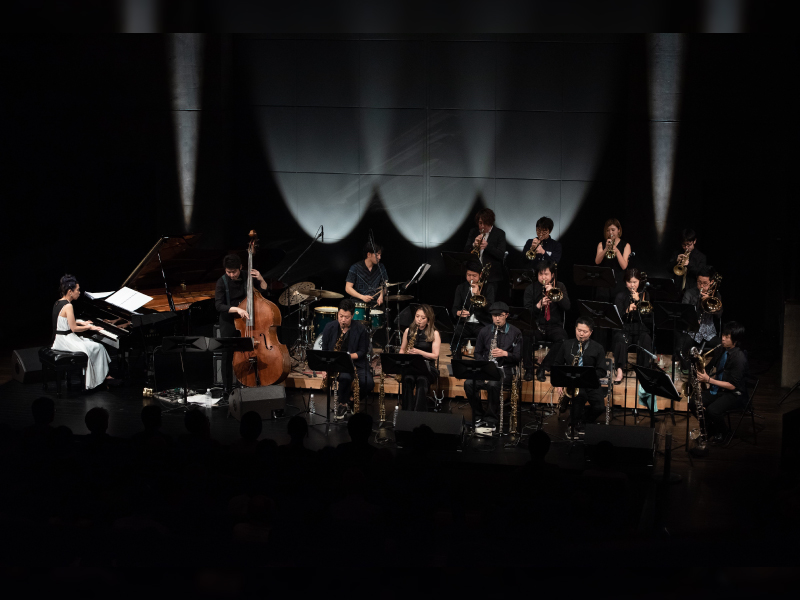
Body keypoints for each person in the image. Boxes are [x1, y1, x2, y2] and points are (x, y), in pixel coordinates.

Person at [214, 253, 269, 394]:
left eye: (234, 271)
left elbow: (263, 291)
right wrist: (237, 309)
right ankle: (227, 387)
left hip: (248, 320)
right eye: (228, 272)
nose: (231, 275)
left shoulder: (248, 276)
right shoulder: (221, 281)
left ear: (240, 267)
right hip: (229, 320)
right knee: (227, 354)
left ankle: (251, 382)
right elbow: (219, 305)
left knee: (250, 350)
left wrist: (261, 278)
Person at [464, 302, 522, 430]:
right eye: (494, 315)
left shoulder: (515, 332)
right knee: (468, 383)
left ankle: (491, 419)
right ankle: (478, 416)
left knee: (493, 384)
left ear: (506, 315)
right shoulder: (484, 331)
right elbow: (477, 353)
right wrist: (484, 364)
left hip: (504, 370)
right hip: (485, 368)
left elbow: (518, 357)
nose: (497, 318)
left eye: (500, 316)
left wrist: (505, 353)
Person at [51, 274, 112, 389]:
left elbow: (63, 320)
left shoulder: (58, 302)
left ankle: (103, 376)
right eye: (77, 290)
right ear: (70, 291)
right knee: (97, 347)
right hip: (66, 340)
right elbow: (73, 328)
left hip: (59, 339)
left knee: (94, 346)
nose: (79, 292)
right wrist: (90, 327)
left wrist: (82, 322)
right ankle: (98, 379)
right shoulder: (69, 306)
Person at [692, 321, 749, 444]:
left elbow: (733, 385)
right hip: (719, 389)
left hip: (734, 394)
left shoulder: (739, 358)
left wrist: (708, 379)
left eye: (727, 337)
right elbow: (711, 366)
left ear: (735, 340)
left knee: (713, 410)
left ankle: (725, 433)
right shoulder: (722, 350)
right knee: (693, 402)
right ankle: (712, 428)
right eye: (723, 335)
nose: (722, 339)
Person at [553, 317, 607, 437]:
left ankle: (582, 421)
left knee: (599, 407)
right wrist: (560, 383)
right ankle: (573, 424)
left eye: (585, 331)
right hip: (573, 383)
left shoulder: (598, 348)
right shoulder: (567, 344)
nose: (581, 334)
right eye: (579, 330)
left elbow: (602, 370)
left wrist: (589, 375)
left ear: (591, 332)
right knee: (578, 399)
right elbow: (557, 365)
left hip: (591, 382)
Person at [321, 298, 373, 419]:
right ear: (337, 313)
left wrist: (347, 356)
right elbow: (325, 350)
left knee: (368, 383)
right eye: (341, 316)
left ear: (353, 315)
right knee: (345, 377)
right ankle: (342, 404)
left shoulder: (361, 329)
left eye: (347, 317)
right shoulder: (330, 327)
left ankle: (352, 399)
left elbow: (362, 352)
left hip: (357, 362)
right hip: (338, 363)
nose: (343, 320)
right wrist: (324, 368)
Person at [523, 261, 570, 382]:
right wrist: (538, 305)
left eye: (546, 274)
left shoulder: (560, 286)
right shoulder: (531, 288)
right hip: (537, 325)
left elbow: (567, 306)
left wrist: (555, 293)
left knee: (563, 339)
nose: (543, 277)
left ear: (552, 275)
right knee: (525, 336)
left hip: (554, 326)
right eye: (541, 274)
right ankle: (528, 369)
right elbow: (526, 312)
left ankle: (543, 368)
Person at [611, 268, 653, 384]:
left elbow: (647, 316)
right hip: (625, 327)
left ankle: (643, 371)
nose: (632, 285)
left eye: (635, 282)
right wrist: (627, 310)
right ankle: (619, 371)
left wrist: (639, 302)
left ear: (639, 281)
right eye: (629, 282)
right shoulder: (620, 296)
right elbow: (617, 317)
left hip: (639, 327)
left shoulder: (644, 294)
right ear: (625, 282)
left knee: (646, 339)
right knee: (620, 339)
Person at [678, 267, 722, 370]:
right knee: (681, 347)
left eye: (705, 283)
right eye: (699, 282)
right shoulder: (689, 293)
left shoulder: (716, 295)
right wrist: (699, 302)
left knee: (720, 346)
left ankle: (708, 369)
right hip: (691, 330)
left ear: (711, 282)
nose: (701, 286)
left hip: (708, 331)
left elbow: (719, 315)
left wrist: (709, 301)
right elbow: (683, 312)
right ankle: (688, 370)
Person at [399, 304, 441, 411]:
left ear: (428, 320)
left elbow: (435, 355)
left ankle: (419, 414)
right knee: (407, 379)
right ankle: (406, 412)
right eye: (417, 316)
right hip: (412, 366)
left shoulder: (434, 333)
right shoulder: (409, 331)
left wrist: (418, 352)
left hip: (427, 367)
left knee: (422, 380)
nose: (419, 320)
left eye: (423, 318)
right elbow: (402, 349)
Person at [463, 208, 506, 301]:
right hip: (475, 275)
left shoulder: (500, 233)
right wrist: (474, 244)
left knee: (489, 303)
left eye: (485, 223)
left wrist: (488, 246)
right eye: (480, 223)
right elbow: (465, 251)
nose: (482, 226)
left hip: (492, 277)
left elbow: (501, 255)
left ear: (491, 223)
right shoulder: (473, 232)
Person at [451, 261, 492, 357]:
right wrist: (458, 312)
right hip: (466, 323)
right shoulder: (461, 288)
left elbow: (490, 309)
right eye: (469, 275)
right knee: (456, 332)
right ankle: (456, 362)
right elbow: (454, 308)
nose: (471, 278)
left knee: (486, 335)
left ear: (480, 274)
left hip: (481, 324)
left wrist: (478, 295)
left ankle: (482, 363)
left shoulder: (488, 288)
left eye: (474, 275)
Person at [594, 218, 631, 301]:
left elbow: (624, 266)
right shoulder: (601, 244)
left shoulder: (626, 245)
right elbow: (597, 261)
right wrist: (605, 249)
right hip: (603, 284)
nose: (610, 233)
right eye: (608, 230)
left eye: (613, 230)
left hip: (619, 283)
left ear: (619, 230)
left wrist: (616, 250)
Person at [345, 242, 388, 307]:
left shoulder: (381, 267)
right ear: (369, 255)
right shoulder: (355, 268)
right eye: (377, 255)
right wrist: (362, 297)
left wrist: (381, 296)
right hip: (358, 303)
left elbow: (385, 285)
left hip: (375, 303)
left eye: (380, 255)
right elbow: (348, 288)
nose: (380, 257)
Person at [667, 228, 707, 293]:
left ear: (694, 241)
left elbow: (701, 273)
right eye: (684, 245)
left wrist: (689, 265)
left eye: (688, 244)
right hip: (677, 289)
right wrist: (676, 261)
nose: (686, 247)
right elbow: (668, 269)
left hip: (692, 290)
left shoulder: (701, 257)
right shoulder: (677, 253)